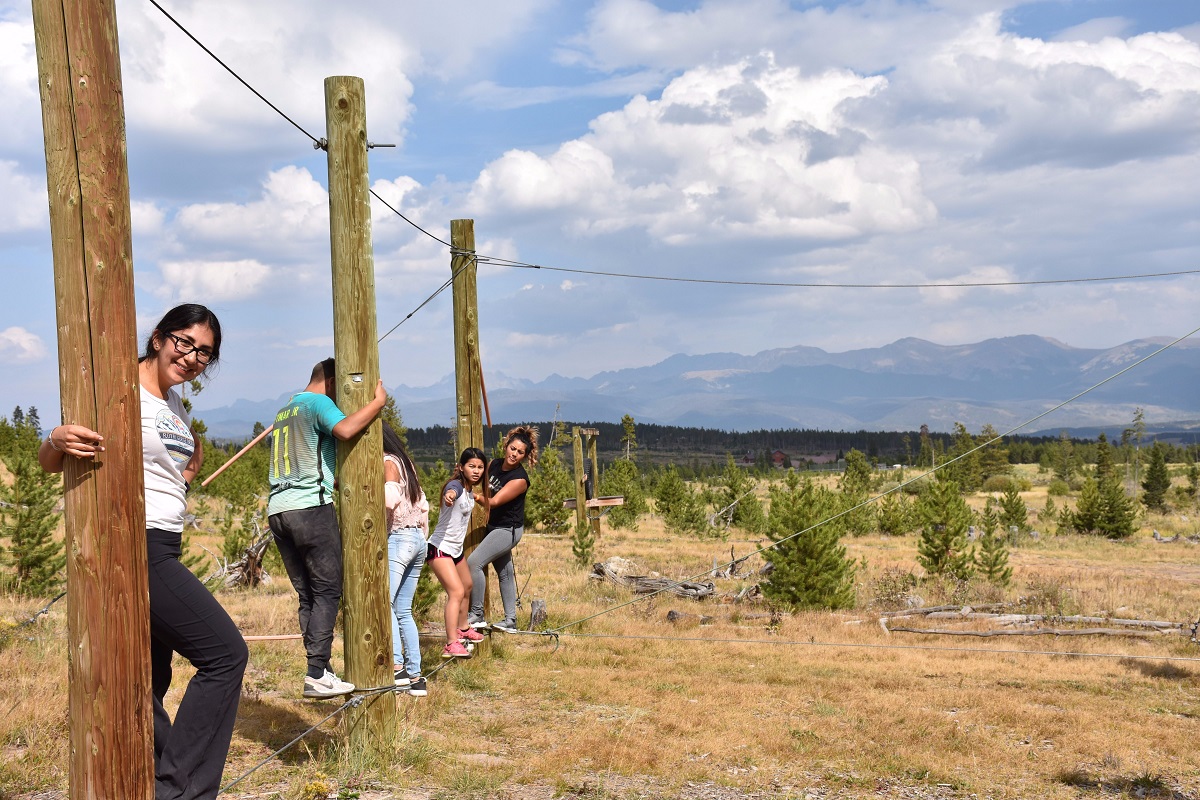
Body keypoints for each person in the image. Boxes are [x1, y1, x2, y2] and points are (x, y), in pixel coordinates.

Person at [39, 303, 247, 800]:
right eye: (185, 342)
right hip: (136, 545)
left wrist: (186, 475)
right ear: (158, 337)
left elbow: (161, 468)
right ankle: (181, 791)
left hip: (164, 540)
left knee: (147, 678)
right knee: (225, 654)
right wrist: (56, 438)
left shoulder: (172, 403)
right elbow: (54, 458)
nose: (193, 357)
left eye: (205, 353)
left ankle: (145, 781)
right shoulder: (118, 389)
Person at [267, 357, 386, 698]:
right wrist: (377, 403)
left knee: (308, 595)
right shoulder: (319, 402)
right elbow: (346, 429)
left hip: (278, 510)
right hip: (309, 508)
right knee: (328, 591)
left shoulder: (285, 410)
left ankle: (322, 669)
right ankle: (316, 672)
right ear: (332, 382)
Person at [467, 426, 538, 633]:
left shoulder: (520, 480)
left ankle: (477, 613)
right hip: (494, 527)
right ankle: (511, 621)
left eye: (520, 452)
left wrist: (475, 497)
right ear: (506, 445)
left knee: (474, 563)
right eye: (512, 448)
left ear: (525, 456)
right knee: (505, 573)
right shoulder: (495, 464)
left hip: (508, 530)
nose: (514, 454)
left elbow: (495, 501)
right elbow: (478, 476)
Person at [381, 423, 430, 697]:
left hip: (399, 538)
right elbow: (422, 505)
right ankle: (416, 677)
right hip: (417, 540)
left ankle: (397, 667)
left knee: (386, 602)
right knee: (403, 610)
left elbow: (389, 499)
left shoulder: (388, 462)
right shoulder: (407, 463)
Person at [426, 447, 487, 659]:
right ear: (461, 467)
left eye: (480, 467)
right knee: (456, 592)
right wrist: (449, 496)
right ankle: (451, 642)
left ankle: (463, 628)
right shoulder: (457, 486)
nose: (476, 470)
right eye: (471, 466)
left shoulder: (470, 491)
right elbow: (450, 492)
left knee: (467, 585)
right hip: (439, 548)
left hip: (455, 550)